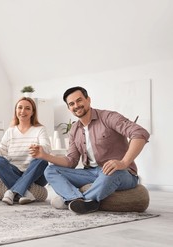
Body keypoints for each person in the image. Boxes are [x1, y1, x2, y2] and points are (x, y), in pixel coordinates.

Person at [30, 86, 150, 214]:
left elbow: (140, 133)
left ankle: (80, 201)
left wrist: (123, 163)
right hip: (91, 173)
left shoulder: (109, 117)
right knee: (50, 170)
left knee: (110, 172)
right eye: (71, 104)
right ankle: (75, 199)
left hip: (120, 172)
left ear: (88, 100)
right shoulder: (74, 129)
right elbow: (71, 161)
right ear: (69, 108)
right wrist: (44, 155)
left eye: (79, 100)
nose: (76, 105)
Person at [0, 97, 51, 205]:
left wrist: (39, 148)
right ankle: (25, 193)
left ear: (32, 112)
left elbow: (47, 147)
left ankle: (12, 191)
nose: (23, 111)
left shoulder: (39, 129)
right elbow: (0, 151)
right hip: (15, 171)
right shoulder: (10, 131)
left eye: (27, 108)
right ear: (16, 111)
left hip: (36, 175)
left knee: (42, 161)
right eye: (20, 108)